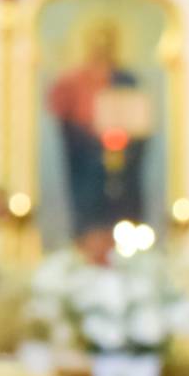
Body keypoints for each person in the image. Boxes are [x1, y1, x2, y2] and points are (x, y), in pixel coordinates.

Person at [46, 18, 150, 241]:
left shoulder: (125, 79)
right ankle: (88, 235)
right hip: (84, 153)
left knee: (119, 198)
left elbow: (138, 122)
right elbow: (62, 116)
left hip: (121, 159)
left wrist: (120, 141)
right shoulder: (73, 80)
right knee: (89, 204)